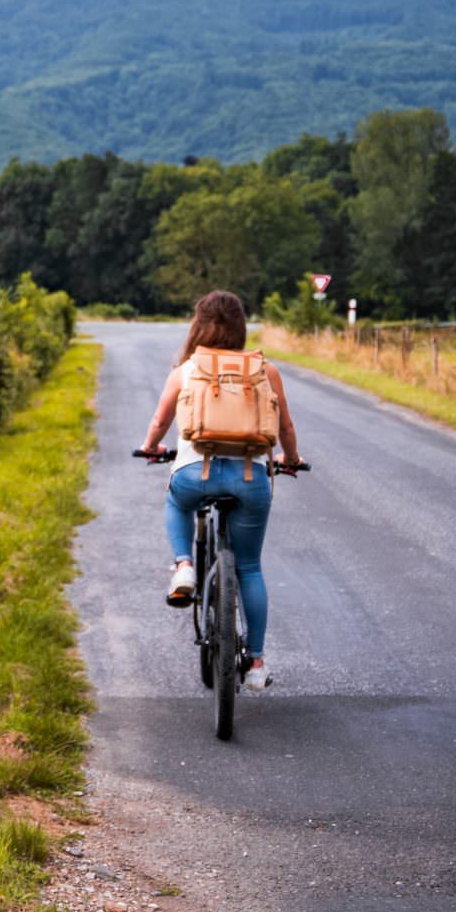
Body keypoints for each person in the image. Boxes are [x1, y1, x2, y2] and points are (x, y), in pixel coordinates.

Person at [136, 289, 303, 690]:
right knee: (248, 567)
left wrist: (151, 447)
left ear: (199, 326)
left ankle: (184, 566)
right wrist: (291, 459)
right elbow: (286, 431)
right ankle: (257, 664)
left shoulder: (187, 369)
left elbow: (160, 422)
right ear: (242, 327)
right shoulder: (267, 371)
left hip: (196, 474)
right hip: (251, 479)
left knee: (176, 500)